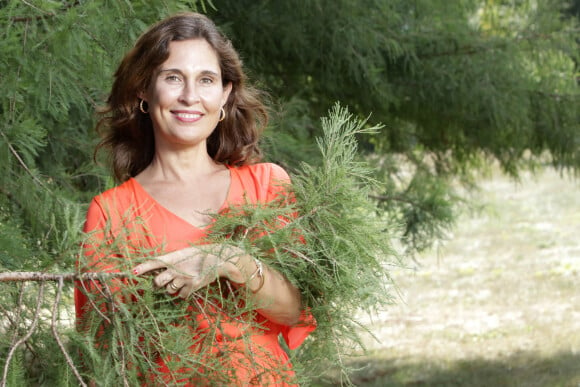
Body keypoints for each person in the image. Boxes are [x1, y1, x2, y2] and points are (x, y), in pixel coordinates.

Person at [74, 12, 315, 386]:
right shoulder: (111, 212)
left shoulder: (267, 185)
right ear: (143, 90)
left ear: (225, 94)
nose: (190, 96)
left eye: (206, 79)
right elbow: (103, 356)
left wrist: (230, 260)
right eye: (173, 78)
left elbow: (296, 311)